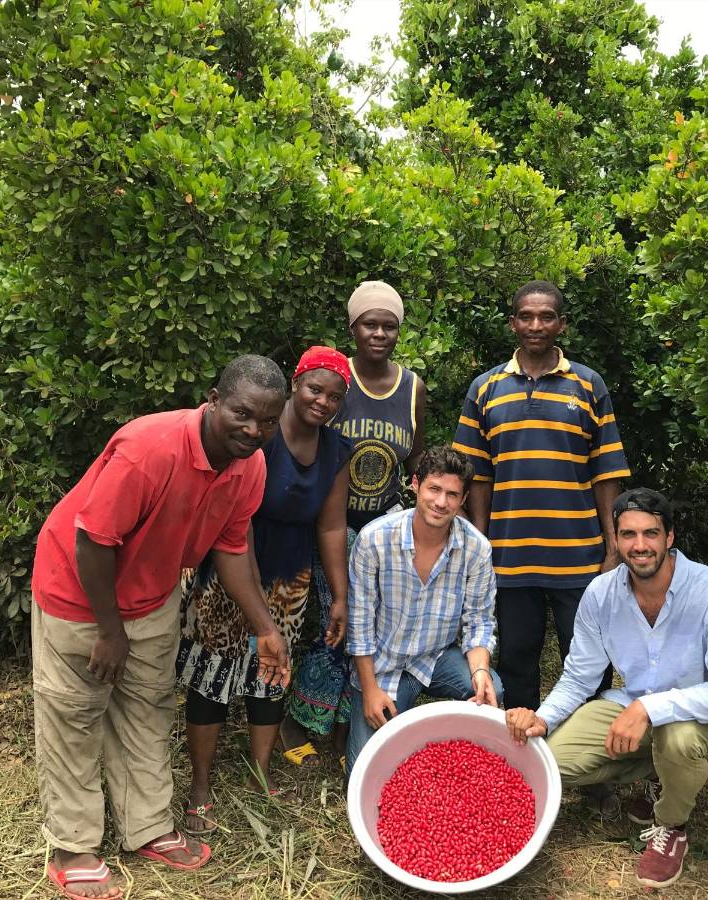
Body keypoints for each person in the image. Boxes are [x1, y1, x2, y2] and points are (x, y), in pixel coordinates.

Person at [29, 355, 291, 900]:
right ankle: (74, 845)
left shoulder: (251, 466)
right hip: (79, 593)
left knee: (148, 708)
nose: (253, 430)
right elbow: (93, 541)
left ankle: (146, 825)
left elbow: (233, 547)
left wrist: (265, 626)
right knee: (74, 716)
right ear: (214, 401)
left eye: (267, 421)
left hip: (152, 593)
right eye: (242, 414)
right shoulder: (150, 448)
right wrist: (109, 630)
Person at [505, 488, 708, 889]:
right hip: (631, 706)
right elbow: (579, 676)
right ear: (616, 539)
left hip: (707, 725)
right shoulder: (601, 594)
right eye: (628, 535)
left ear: (669, 537)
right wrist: (544, 718)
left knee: (677, 737)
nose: (640, 546)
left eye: (651, 534)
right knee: (550, 764)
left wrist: (649, 709)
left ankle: (672, 825)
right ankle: (661, 770)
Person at [175, 347, 352, 830]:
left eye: (335, 396)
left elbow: (332, 527)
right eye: (316, 389)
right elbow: (239, 523)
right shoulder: (260, 436)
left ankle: (260, 771)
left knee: (270, 675)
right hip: (227, 568)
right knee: (212, 679)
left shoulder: (337, 451)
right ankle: (201, 784)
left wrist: (339, 595)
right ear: (296, 384)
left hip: (289, 577)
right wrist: (253, 602)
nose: (323, 401)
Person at [453, 279, 632, 712]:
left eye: (547, 316)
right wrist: (480, 542)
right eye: (527, 316)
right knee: (516, 662)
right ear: (513, 323)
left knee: (589, 662)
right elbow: (475, 477)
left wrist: (613, 546)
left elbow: (606, 472)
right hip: (510, 556)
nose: (536, 324)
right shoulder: (485, 388)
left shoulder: (588, 386)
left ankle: (591, 765)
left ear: (562, 324)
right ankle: (523, 759)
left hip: (581, 556)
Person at [282, 280, 427, 769]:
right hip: (334, 525)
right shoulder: (338, 382)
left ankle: (351, 727)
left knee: (376, 628)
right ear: (353, 327)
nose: (379, 333)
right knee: (337, 625)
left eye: (389, 325)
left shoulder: (413, 388)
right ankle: (301, 720)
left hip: (386, 529)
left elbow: (417, 458)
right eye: (370, 323)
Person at [344, 446, 503, 776]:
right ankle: (368, 717)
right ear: (415, 484)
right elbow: (359, 623)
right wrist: (371, 690)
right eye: (434, 489)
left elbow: (479, 620)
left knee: (492, 690)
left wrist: (480, 672)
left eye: (452, 494)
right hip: (384, 663)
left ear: (463, 499)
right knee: (363, 773)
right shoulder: (374, 539)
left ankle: (458, 763)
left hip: (437, 656)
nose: (441, 502)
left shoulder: (476, 548)